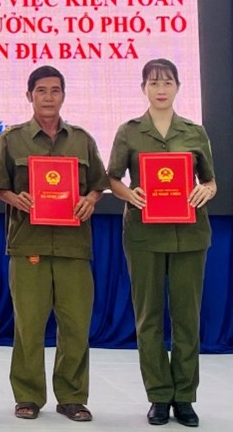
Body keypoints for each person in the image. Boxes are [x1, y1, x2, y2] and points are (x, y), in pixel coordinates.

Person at [0, 65, 109, 423]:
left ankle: (72, 397)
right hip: (29, 243)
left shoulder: (82, 139)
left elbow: (98, 184)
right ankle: (28, 396)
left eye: (55, 90)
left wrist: (90, 200)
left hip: (74, 245)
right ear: (29, 95)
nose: (48, 97)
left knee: (75, 325)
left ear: (63, 95)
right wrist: (16, 198)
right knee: (28, 325)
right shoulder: (11, 139)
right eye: (41, 90)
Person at [107, 59, 216, 427]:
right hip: (144, 235)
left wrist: (206, 190)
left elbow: (210, 181)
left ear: (178, 86)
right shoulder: (129, 131)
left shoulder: (194, 132)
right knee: (148, 318)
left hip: (190, 235)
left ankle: (184, 397)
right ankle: (158, 396)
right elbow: (112, 178)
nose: (161, 89)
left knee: (187, 318)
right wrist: (129, 194)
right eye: (153, 83)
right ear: (144, 88)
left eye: (167, 82)